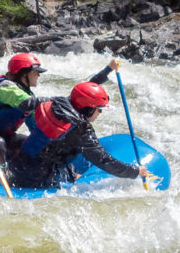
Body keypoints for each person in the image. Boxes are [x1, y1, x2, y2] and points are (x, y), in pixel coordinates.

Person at [0, 53, 122, 161]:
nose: (38, 76)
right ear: (23, 73)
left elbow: (73, 100)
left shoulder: (25, 92)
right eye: (36, 72)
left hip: (7, 137)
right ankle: (2, 176)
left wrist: (107, 70)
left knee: (27, 145)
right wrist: (56, 100)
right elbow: (27, 103)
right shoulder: (5, 87)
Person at [9, 80, 149, 189]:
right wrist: (135, 171)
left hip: (17, 164)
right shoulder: (82, 129)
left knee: (61, 156)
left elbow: (25, 104)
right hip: (38, 179)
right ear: (87, 109)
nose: (100, 113)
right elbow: (104, 160)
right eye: (99, 110)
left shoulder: (55, 101)